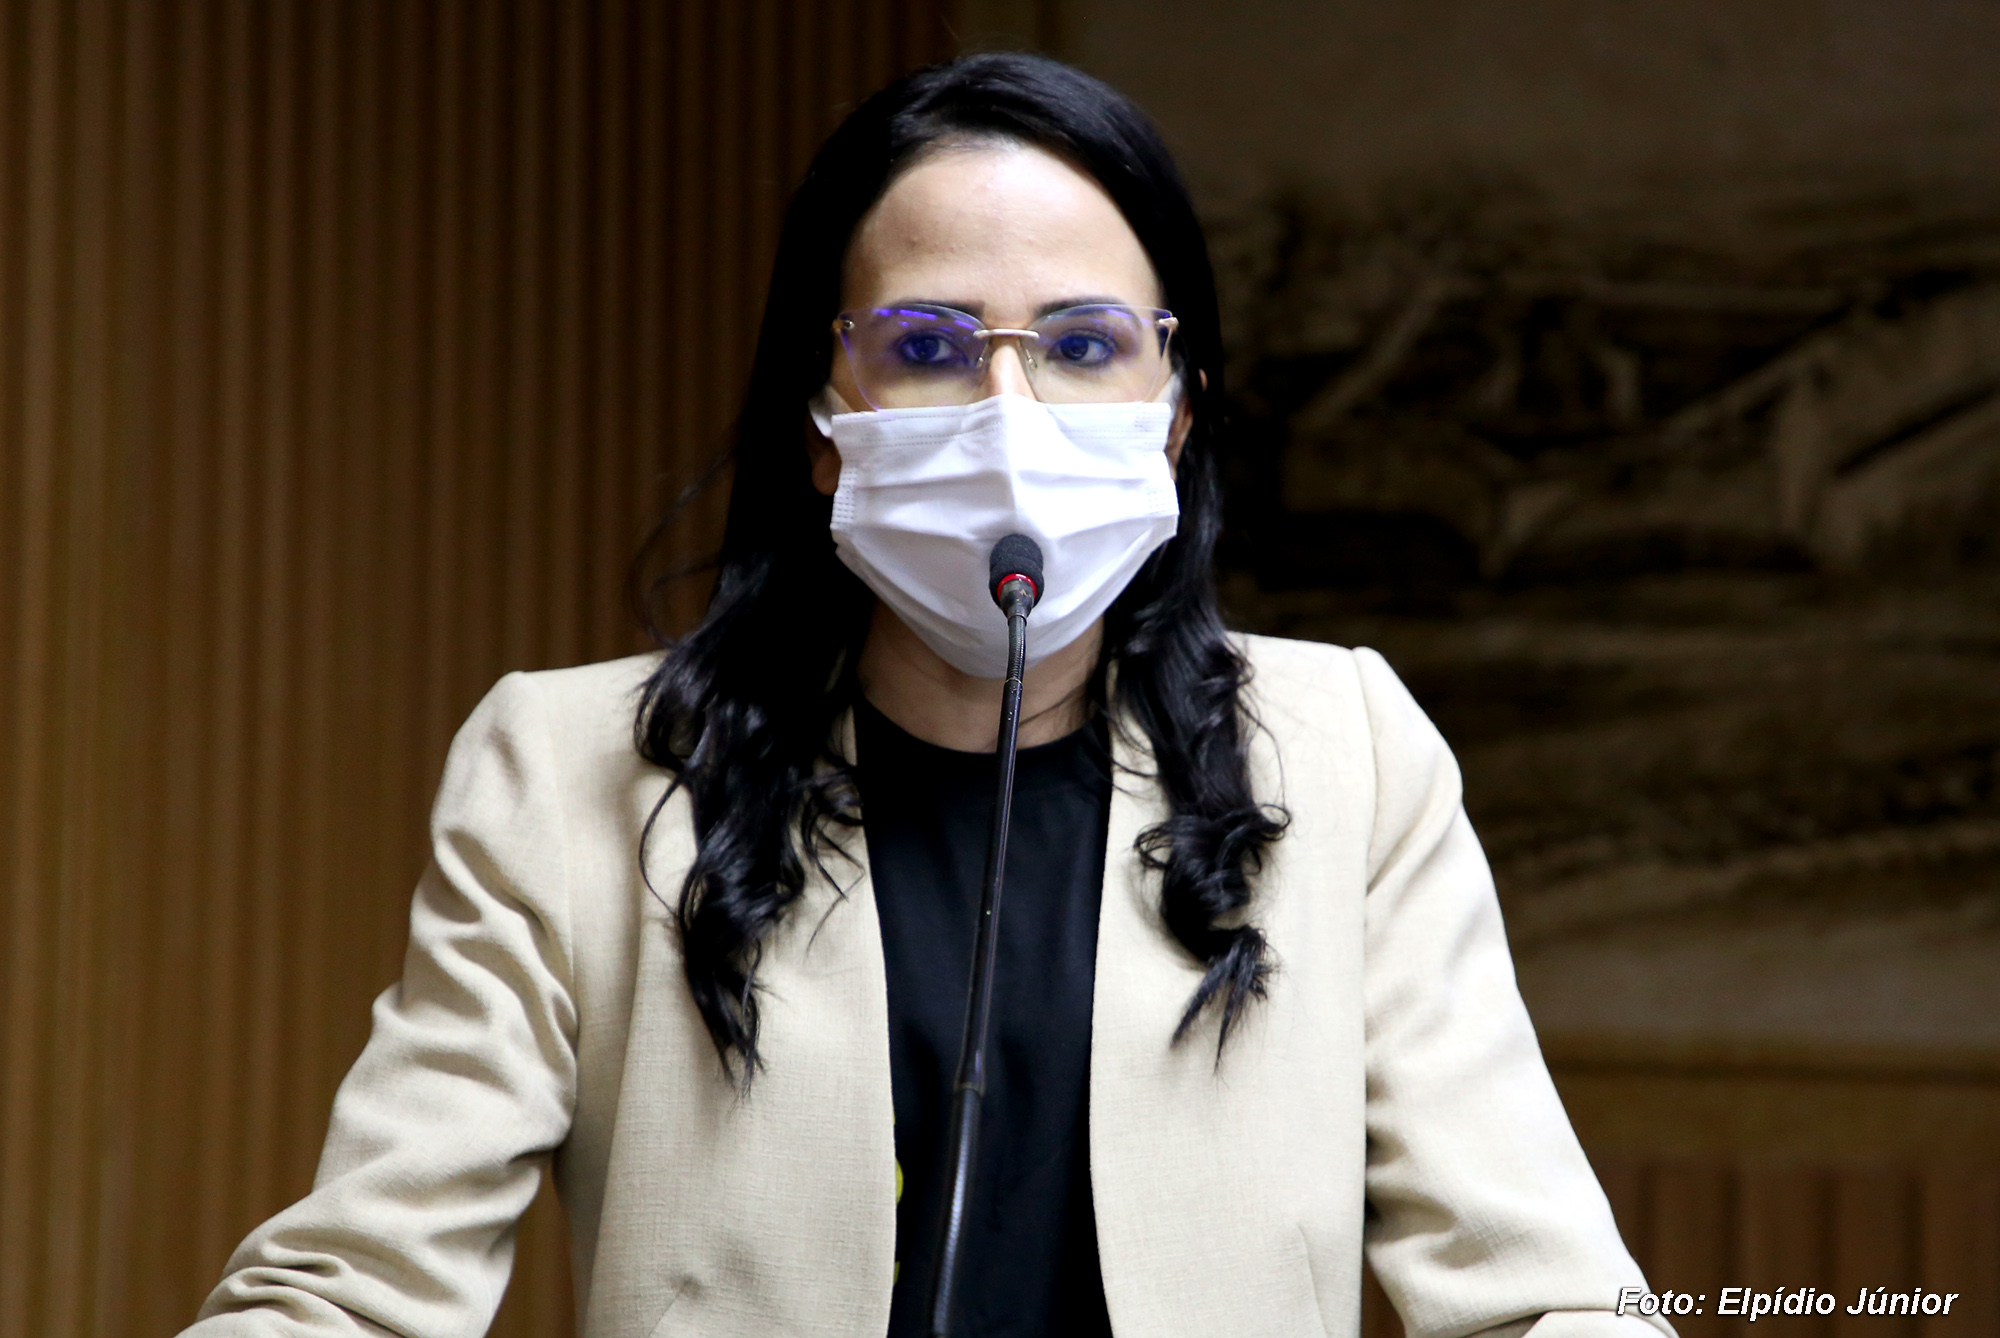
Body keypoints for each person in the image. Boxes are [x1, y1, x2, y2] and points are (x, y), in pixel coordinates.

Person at [182, 54, 1672, 1338]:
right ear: (824, 424)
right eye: (927, 347)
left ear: (1174, 416)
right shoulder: (571, 769)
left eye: (1082, 346)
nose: (1008, 414)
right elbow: (354, 1288)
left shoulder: (1348, 756)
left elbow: (1546, 1293)